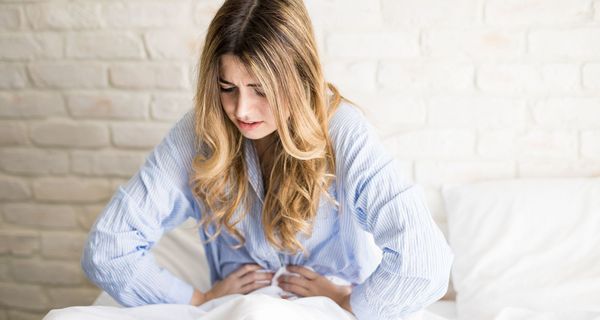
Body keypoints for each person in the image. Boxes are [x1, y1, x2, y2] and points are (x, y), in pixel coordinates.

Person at [76, 0, 454, 319]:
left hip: (328, 308)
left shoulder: (343, 131)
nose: (242, 110)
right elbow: (109, 248)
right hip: (237, 309)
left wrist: (349, 303)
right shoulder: (201, 130)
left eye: (261, 90)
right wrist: (197, 301)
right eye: (228, 88)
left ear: (299, 79)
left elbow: (424, 261)